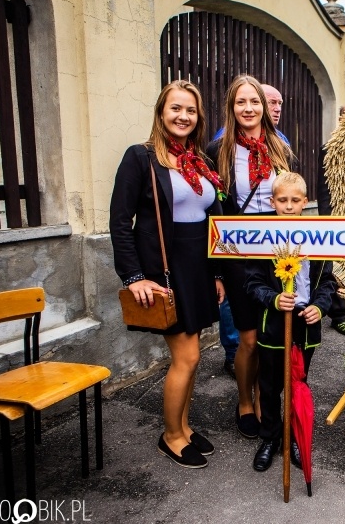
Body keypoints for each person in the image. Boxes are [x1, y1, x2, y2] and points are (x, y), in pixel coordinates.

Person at [110, 80, 225, 468]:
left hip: (198, 266)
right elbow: (120, 221)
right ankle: (170, 435)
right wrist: (133, 276)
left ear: (199, 117)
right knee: (188, 357)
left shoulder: (200, 163)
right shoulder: (141, 157)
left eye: (190, 110)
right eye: (176, 108)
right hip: (165, 267)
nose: (183, 116)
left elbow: (210, 220)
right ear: (161, 112)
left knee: (193, 356)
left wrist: (217, 274)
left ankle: (185, 426)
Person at [207, 75, 294, 439]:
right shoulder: (217, 151)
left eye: (254, 102)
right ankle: (244, 400)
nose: (248, 109)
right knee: (247, 338)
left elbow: (292, 197)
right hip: (238, 252)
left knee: (272, 335)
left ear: (263, 105)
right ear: (232, 107)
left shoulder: (280, 148)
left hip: (277, 250)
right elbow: (211, 212)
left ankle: (264, 399)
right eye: (241, 102)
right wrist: (214, 271)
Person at [244, 172, 336, 471]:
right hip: (274, 323)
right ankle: (270, 437)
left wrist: (320, 308)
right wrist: (272, 298)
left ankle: (294, 437)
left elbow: (328, 283)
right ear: (272, 201)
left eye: (295, 200)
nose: (288, 205)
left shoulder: (320, 237)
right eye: (282, 200)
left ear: (305, 203)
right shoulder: (262, 237)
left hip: (304, 323)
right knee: (270, 386)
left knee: (298, 383)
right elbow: (252, 282)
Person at [317, 104, 345, 335]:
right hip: (337, 212)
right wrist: (327, 216)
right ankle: (339, 314)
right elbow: (323, 187)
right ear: (341, 119)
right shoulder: (329, 148)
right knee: (335, 266)